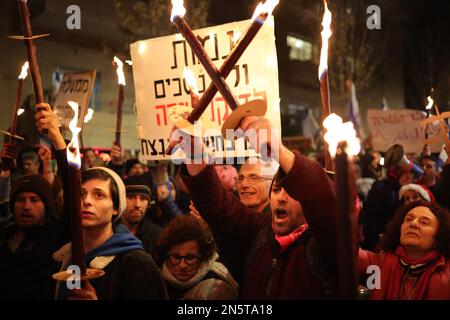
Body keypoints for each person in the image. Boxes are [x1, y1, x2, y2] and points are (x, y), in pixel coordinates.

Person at [179, 116, 339, 299]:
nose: (281, 198)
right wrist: (193, 150)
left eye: (292, 192)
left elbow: (325, 202)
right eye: (277, 190)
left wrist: (278, 151)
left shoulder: (325, 244)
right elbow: (218, 207)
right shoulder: (260, 231)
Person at [34, 102, 167, 300]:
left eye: (99, 195)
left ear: (116, 208)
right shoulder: (64, 256)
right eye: (81, 194)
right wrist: (55, 136)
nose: (86, 201)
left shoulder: (136, 263)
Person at [359, 201, 450, 299]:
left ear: (439, 235)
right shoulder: (377, 264)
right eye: (408, 219)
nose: (413, 223)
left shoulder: (446, 276)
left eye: (424, 222)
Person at [156, 215, 238, 300]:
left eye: (190, 258)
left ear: (204, 257)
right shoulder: (155, 280)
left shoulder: (218, 290)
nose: (182, 265)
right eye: (176, 257)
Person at [122, 175, 163, 257]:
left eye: (143, 198)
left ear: (148, 203)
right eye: (131, 197)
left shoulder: (158, 236)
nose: (137, 204)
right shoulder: (107, 233)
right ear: (121, 200)